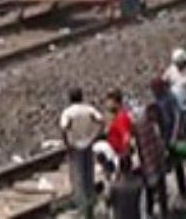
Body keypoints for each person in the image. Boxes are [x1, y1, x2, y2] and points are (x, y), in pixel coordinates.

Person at [60, 87, 105, 218]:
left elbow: (64, 127)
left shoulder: (68, 112)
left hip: (75, 147)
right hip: (88, 144)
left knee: (78, 177)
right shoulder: (88, 109)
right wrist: (95, 135)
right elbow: (100, 120)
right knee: (89, 174)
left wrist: (67, 142)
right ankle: (91, 206)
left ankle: (83, 209)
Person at [148, 77, 186, 208]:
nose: (154, 92)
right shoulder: (158, 99)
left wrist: (174, 136)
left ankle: (183, 192)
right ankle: (164, 195)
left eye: (155, 90)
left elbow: (177, 115)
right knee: (165, 166)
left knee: (177, 164)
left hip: (172, 135)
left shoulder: (170, 97)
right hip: (164, 135)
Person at [133, 98, 169, 219]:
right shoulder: (148, 126)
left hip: (148, 161)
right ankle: (160, 213)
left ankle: (151, 212)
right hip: (153, 160)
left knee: (151, 189)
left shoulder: (141, 124)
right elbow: (157, 144)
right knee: (158, 189)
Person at [105, 154, 144, 219]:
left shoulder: (113, 186)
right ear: (131, 166)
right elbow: (143, 207)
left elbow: (107, 203)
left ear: (119, 168)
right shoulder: (139, 183)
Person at [105, 89, 134, 161]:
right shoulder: (117, 117)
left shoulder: (121, 118)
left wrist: (124, 158)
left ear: (115, 102)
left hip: (120, 156)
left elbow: (126, 137)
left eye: (109, 102)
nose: (107, 104)